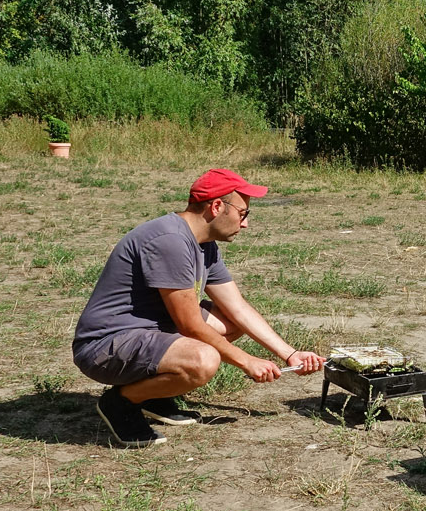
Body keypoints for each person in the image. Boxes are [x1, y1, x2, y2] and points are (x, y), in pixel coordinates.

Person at [72, 168, 324, 446]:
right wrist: (246, 361)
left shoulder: (204, 244)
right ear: (217, 206)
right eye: (243, 214)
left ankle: (152, 395)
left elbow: (236, 307)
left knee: (228, 321)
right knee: (203, 360)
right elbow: (190, 325)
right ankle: (121, 402)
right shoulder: (170, 241)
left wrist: (290, 354)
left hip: (144, 332)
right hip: (103, 347)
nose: (245, 224)